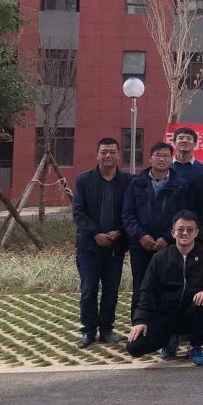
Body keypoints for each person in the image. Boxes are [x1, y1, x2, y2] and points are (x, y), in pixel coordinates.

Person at [126, 211, 203, 366]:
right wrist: (140, 320)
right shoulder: (160, 258)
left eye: (190, 230)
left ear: (196, 233)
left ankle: (195, 346)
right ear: (173, 233)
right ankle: (169, 340)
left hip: (192, 313)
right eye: (180, 229)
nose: (185, 233)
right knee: (134, 346)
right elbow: (147, 291)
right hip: (165, 315)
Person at [72, 138, 133, 348]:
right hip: (89, 247)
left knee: (111, 290)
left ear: (119, 155)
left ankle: (107, 329)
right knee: (88, 290)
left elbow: (131, 212)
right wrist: (96, 233)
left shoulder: (128, 181)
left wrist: (119, 232)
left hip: (116, 246)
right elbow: (78, 213)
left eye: (112, 152)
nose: (108, 155)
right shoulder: (84, 180)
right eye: (104, 152)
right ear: (97, 155)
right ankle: (88, 331)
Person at [121, 141, 189, 321]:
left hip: (167, 245)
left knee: (166, 285)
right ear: (150, 158)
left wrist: (167, 238)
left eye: (166, 156)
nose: (161, 159)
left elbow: (182, 216)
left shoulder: (180, 185)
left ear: (171, 160)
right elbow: (127, 214)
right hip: (140, 245)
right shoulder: (136, 183)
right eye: (157, 155)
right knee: (141, 284)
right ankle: (138, 322)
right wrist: (141, 235)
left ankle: (163, 325)